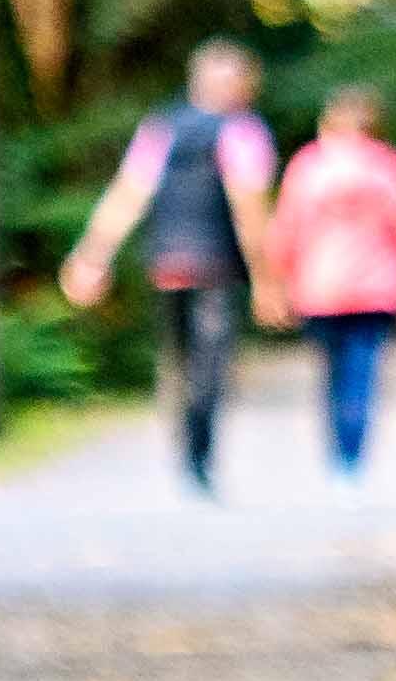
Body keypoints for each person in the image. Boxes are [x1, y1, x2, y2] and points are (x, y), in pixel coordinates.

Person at [56, 37, 278, 491]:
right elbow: (249, 210)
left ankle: (186, 453)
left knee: (178, 359)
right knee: (210, 365)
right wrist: (266, 279)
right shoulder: (243, 131)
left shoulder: (162, 127)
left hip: (167, 261)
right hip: (217, 265)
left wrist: (91, 254)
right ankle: (199, 457)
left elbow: (128, 194)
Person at [261, 83, 396, 477]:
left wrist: (276, 279)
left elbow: (287, 228)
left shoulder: (309, 166)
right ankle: (351, 456)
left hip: (320, 287)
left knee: (332, 371)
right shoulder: (392, 167)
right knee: (364, 370)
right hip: (379, 287)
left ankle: (338, 449)